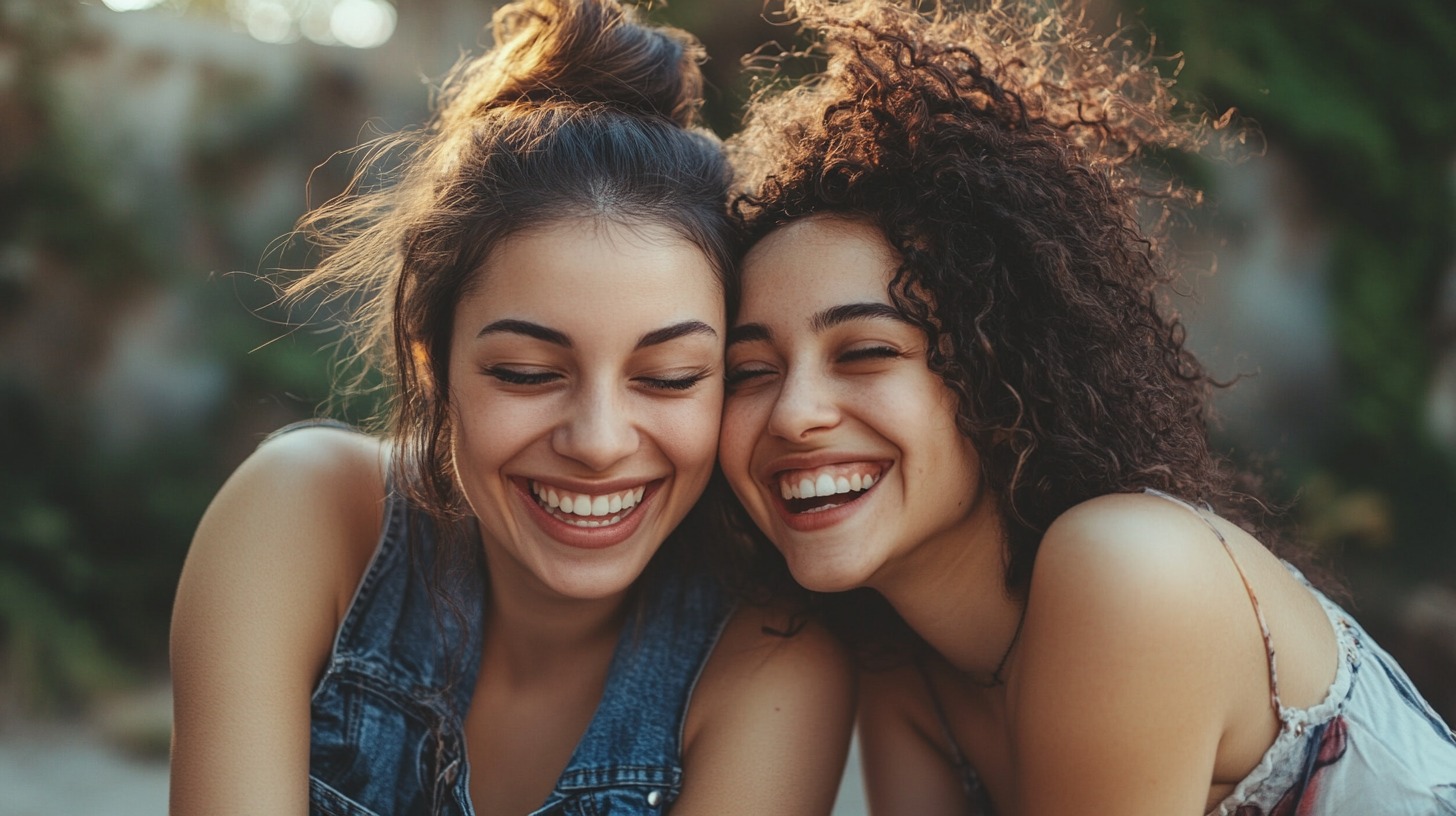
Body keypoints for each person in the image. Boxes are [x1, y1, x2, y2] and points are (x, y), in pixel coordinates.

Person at [720, 1, 1456, 813]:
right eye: (750, 371)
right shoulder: (908, 671)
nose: (792, 414)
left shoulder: (1128, 567)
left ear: (1004, 366)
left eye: (865, 352)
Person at [169, 1, 854, 813]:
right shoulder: (301, 515)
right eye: (528, 373)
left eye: (670, 377)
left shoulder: (774, 662)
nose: (599, 443)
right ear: (432, 363)